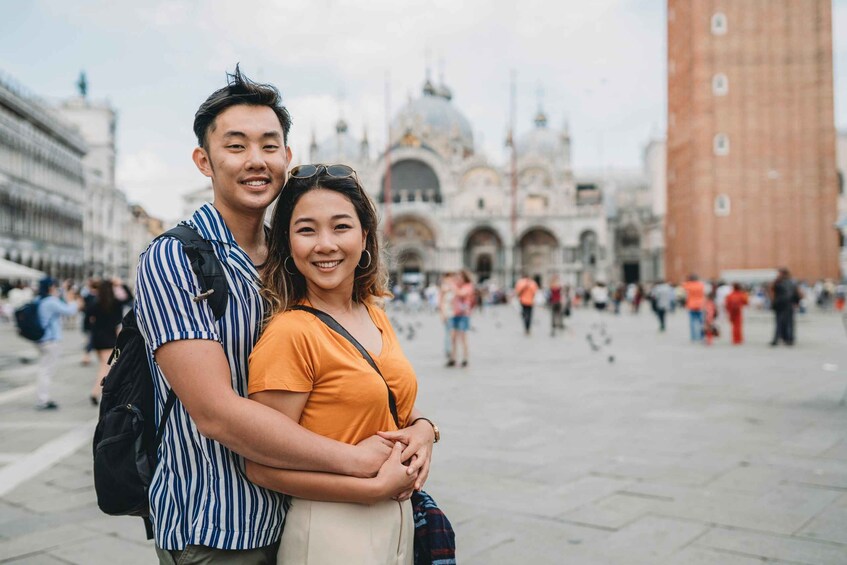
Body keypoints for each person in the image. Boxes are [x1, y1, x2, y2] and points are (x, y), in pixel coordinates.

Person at [134, 67, 405, 563]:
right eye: (235, 146)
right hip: (219, 525)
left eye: (269, 145)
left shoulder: (291, 257)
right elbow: (216, 414)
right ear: (204, 160)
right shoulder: (175, 259)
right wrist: (358, 465)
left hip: (306, 512)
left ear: (287, 156)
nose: (255, 161)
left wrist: (424, 428)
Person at [245, 163, 437, 564]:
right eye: (307, 229)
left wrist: (424, 430)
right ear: (288, 242)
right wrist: (370, 489)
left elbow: (387, 401)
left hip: (395, 526)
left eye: (341, 226)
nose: (325, 244)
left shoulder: (372, 312)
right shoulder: (290, 333)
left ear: (365, 235)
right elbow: (260, 466)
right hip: (330, 533)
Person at [34, 278, 82, 410]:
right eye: (54, 286)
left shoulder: (39, 300)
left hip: (42, 339)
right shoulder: (50, 301)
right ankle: (42, 399)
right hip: (51, 340)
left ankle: (43, 398)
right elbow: (70, 311)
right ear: (50, 287)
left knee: (44, 369)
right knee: (46, 371)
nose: (56, 289)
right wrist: (72, 299)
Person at [85, 278, 130, 405]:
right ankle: (95, 392)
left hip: (97, 338)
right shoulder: (115, 303)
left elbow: (87, 320)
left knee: (104, 364)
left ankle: (101, 392)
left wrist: (93, 328)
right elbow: (129, 298)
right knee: (106, 367)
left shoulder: (95, 303)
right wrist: (121, 284)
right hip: (109, 338)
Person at [448, 269, 474, 367]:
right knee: (453, 337)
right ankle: (453, 358)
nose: (458, 279)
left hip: (464, 315)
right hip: (454, 314)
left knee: (463, 337)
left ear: (464, 278)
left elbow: (461, 294)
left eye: (460, 277)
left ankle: (465, 358)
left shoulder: (468, 286)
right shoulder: (456, 286)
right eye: (457, 277)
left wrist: (452, 285)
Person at [769, 267, 801, 346]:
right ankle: (784, 338)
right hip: (781, 305)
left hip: (785, 305)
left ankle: (787, 339)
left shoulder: (780, 282)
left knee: (786, 323)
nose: (777, 275)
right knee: (782, 323)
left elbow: (797, 293)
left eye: (779, 273)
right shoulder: (785, 282)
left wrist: (796, 302)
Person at [683, 274, 705, 342]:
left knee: (692, 322)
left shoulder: (688, 285)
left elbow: (683, 286)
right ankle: (702, 336)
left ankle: (693, 337)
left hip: (691, 305)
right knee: (701, 322)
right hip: (700, 305)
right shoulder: (701, 285)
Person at [437, 272, 455, 360]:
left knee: (452, 332)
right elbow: (440, 302)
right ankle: (448, 350)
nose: (450, 279)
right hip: (447, 313)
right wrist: (442, 314)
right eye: (449, 278)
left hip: (454, 313)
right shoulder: (444, 288)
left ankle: (452, 349)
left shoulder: (453, 287)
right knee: (449, 332)